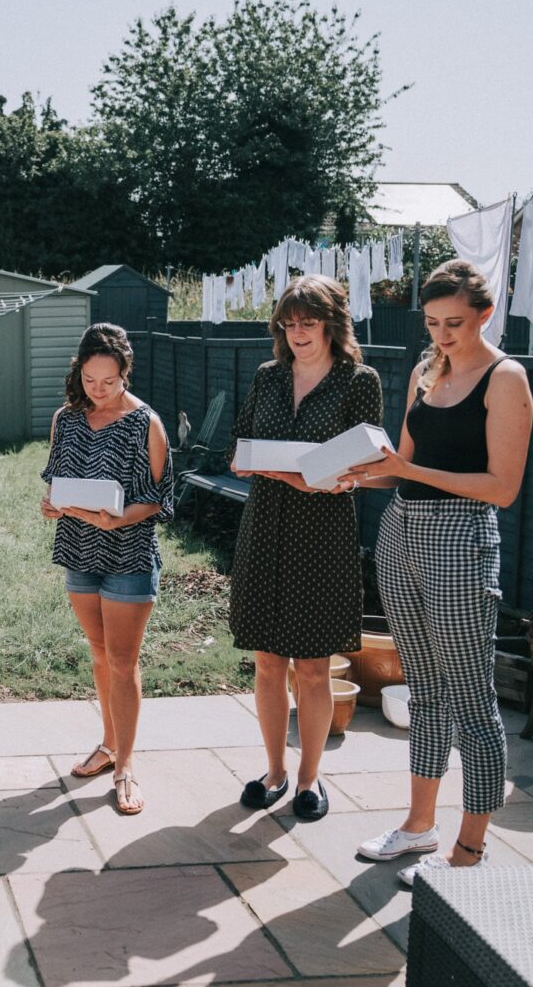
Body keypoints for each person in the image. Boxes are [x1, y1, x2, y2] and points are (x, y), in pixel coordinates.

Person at [347, 259, 533, 885]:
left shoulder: (506, 378)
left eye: (454, 322)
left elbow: (501, 488)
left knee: (471, 701)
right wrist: (348, 476)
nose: (442, 334)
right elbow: (399, 464)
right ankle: (418, 826)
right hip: (400, 530)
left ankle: (470, 851)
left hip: (460, 538)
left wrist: (408, 471)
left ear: (484, 314)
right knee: (423, 691)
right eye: (432, 323)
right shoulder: (427, 371)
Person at [227, 275, 383, 821]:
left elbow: (365, 465)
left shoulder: (359, 381)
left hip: (322, 537)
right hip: (265, 528)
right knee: (268, 662)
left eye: (308, 322)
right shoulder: (268, 376)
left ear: (331, 324)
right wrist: (258, 463)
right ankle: (274, 772)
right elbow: (240, 444)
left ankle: (310, 779)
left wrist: (324, 477)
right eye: (288, 323)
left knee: (313, 666)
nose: (297, 332)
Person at [41, 323, 173, 816]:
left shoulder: (146, 423)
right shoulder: (66, 419)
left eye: (109, 382)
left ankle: (126, 766)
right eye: (90, 380)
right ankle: (109, 744)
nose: (98, 390)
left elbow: (159, 499)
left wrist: (119, 518)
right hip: (79, 551)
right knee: (99, 654)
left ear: (125, 373)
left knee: (122, 660)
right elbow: (56, 481)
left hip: (128, 556)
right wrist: (51, 504)